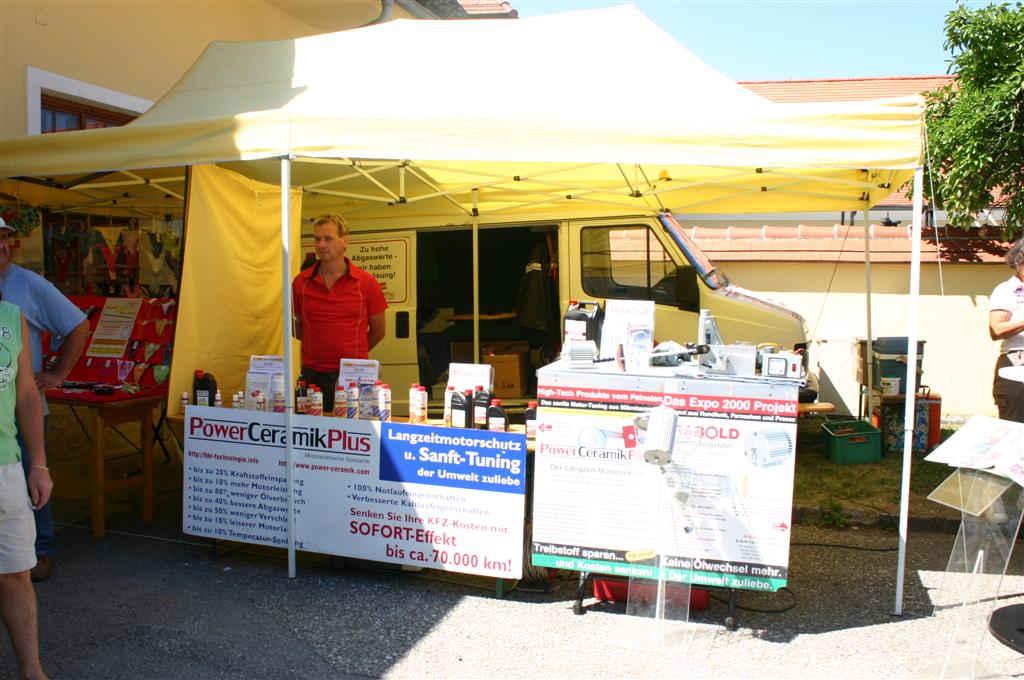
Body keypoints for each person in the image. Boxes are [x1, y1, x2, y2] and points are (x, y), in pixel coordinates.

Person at [0, 217, 88, 582]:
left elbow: (77, 324)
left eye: (5, 239)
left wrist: (58, 374)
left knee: (32, 476)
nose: (2, 246)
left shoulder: (29, 284)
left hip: (25, 407)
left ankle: (41, 551)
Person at [0, 292, 53, 680]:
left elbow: (26, 395)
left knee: (17, 572)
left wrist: (38, 463)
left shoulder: (10, 315)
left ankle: (32, 673)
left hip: (7, 467)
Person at [292, 214, 387, 411]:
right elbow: (295, 326)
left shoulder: (366, 283)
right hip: (312, 374)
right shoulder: (301, 282)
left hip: (353, 375)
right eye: (317, 239)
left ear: (345, 241)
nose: (321, 245)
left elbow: (379, 331)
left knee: (355, 435)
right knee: (310, 435)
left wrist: (354, 354)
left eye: (328, 238)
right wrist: (319, 343)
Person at [989, 238, 1024, 423]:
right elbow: (996, 329)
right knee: (1016, 431)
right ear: (1018, 263)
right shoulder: (1007, 290)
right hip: (1017, 361)